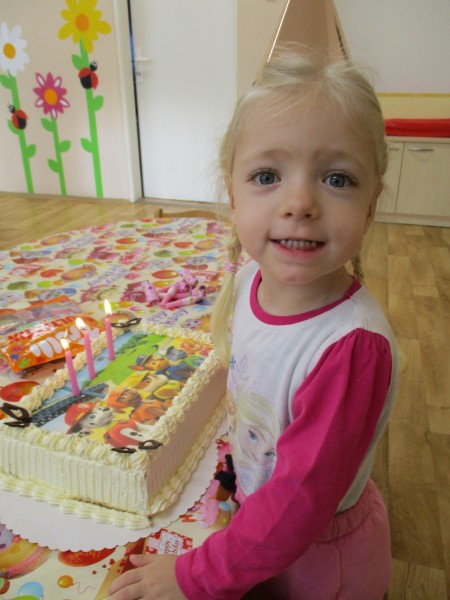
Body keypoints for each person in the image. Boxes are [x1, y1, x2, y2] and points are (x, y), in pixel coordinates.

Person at [108, 44, 398, 600]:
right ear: (232, 196)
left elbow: (296, 509)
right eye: (267, 175)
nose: (299, 202)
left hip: (317, 566)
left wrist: (190, 576)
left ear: (371, 205)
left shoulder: (350, 348)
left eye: (337, 179)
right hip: (257, 529)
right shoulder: (248, 281)